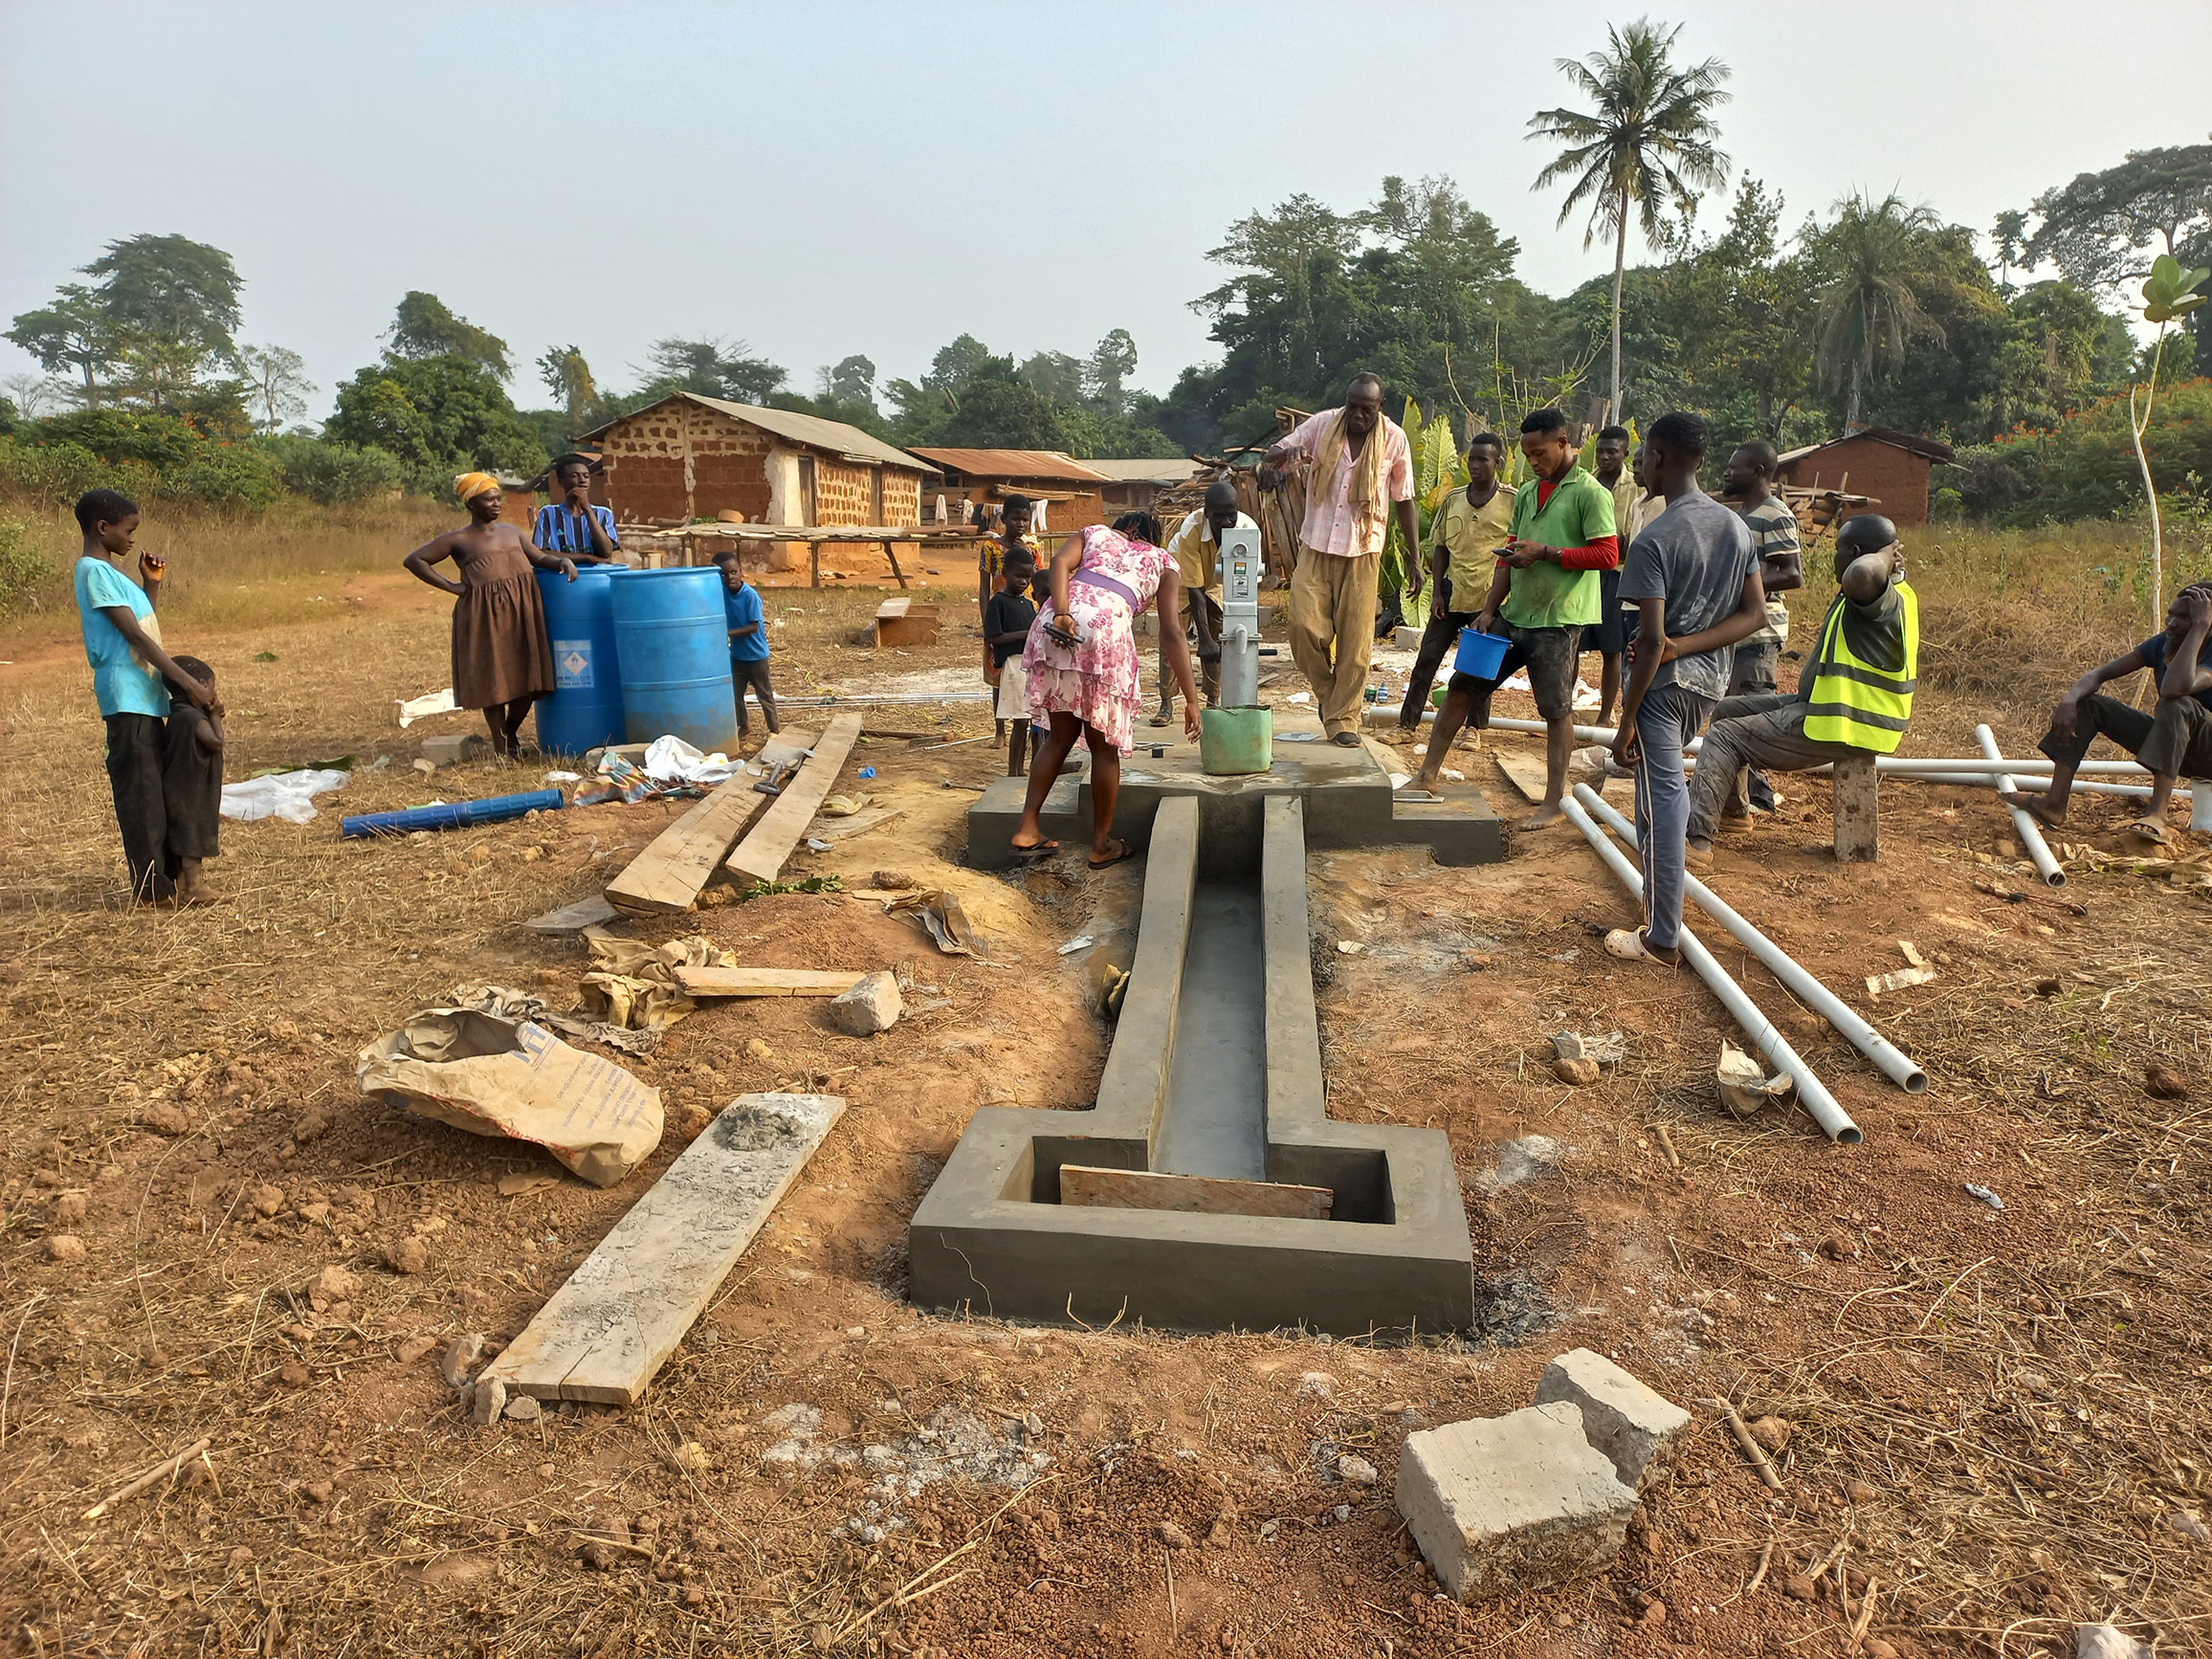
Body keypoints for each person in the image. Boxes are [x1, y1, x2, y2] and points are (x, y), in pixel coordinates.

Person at [1606, 410, 1765, 964]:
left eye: (1644, 457)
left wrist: (1626, 719)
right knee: (1660, 796)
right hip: (1708, 685)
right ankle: (1660, 916)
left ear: (1660, 457)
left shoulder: (1655, 539)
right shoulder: (1735, 528)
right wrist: (1689, 646)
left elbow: (1651, 641)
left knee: (1664, 803)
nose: (1641, 467)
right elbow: (1754, 615)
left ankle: (1661, 938)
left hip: (1660, 689)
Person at [1409, 409, 1619, 827]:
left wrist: (1545, 553)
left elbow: (1608, 554)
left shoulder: (1591, 493)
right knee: (1463, 685)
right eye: (1527, 455)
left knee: (1556, 710)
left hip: (1558, 619)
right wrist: (1489, 610)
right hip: (1513, 613)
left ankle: (1553, 802)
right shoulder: (1527, 492)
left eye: (1540, 453)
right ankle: (1426, 775)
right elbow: (1508, 555)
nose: (1534, 461)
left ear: (1563, 443)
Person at [1684, 514, 1916, 869]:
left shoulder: (1879, 596)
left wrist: (1885, 554)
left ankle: (1697, 841)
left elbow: (1861, 573)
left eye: (1839, 551)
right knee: (1728, 710)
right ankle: (1734, 812)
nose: (1834, 560)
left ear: (1857, 552)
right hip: (1831, 710)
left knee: (1725, 736)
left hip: (1845, 724)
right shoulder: (1882, 595)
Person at [1009, 514, 1202, 868]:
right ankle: (1101, 845)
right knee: (1103, 749)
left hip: (1055, 623)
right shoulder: (1163, 562)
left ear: (1125, 528)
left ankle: (1026, 828)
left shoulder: (1095, 533)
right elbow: (1172, 632)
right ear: (1150, 536)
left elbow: (1058, 563)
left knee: (1059, 737)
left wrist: (1063, 613)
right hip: (1105, 631)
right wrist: (1191, 699)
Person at [72, 488, 223, 905]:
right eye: (127, 530)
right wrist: (189, 683)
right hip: (126, 697)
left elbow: (143, 622)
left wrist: (150, 586)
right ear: (102, 528)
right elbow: (135, 638)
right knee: (141, 797)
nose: (132, 538)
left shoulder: (112, 574)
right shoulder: (93, 571)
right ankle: (154, 892)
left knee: (157, 792)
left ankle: (174, 883)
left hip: (144, 696)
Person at [1262, 373, 1417, 745]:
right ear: (1346, 402)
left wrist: (1415, 558)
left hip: (1363, 551)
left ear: (1380, 407)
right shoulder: (1322, 425)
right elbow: (1272, 455)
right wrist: (1285, 455)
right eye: (1353, 406)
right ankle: (1329, 695)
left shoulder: (1394, 439)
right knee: (1301, 627)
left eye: (1367, 408)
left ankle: (1344, 720)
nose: (1358, 415)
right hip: (1315, 547)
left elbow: (1404, 498)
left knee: (1356, 645)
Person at [2001, 579, 2212, 835]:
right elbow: (2099, 674)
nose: (2172, 623)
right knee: (2091, 704)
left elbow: (2174, 688)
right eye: (2171, 614)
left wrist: (2200, 628)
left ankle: (2157, 813)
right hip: (2178, 747)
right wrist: (2070, 700)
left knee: (2176, 704)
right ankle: (2054, 804)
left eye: (2185, 617)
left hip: (2207, 752)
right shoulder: (2166, 643)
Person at [403, 473, 576, 758]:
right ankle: (500, 744)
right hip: (483, 616)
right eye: (489, 499)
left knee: (528, 676)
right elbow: (414, 560)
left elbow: (538, 558)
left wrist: (562, 561)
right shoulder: (459, 539)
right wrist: (452, 586)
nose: (497, 504)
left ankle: (510, 732)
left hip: (522, 612)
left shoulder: (511, 532)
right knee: (494, 679)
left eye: (498, 498)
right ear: (472, 503)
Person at [1385, 431, 1515, 745]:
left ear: (1497, 462)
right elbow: (1441, 546)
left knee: (1479, 668)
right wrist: (1437, 593)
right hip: (1452, 592)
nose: (1475, 465)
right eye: (1471, 459)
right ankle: (1407, 725)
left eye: (1483, 459)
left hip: (1488, 597)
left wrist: (1496, 604)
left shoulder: (1512, 500)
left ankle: (1474, 730)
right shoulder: (1454, 499)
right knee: (1427, 659)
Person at [1715, 440, 1804, 815]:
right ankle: (1737, 798)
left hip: (1759, 635)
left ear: (1757, 472)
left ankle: (1760, 799)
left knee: (1749, 718)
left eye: (1734, 467)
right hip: (1737, 632)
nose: (1726, 472)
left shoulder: (1775, 514)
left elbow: (1792, 573)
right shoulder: (1741, 514)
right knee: (1731, 713)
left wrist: (1738, 585)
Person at [1157, 476, 1256, 719]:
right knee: (1172, 634)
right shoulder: (1192, 528)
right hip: (1181, 573)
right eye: (1218, 517)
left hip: (1219, 578)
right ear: (1206, 512)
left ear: (1237, 509)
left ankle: (1213, 701)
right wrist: (1203, 640)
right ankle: (1166, 704)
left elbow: (1248, 581)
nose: (1226, 522)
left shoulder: (1248, 530)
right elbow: (1194, 589)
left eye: (1230, 515)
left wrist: (1212, 639)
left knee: (1218, 634)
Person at [163, 654, 226, 903]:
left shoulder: (178, 714)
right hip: (191, 791)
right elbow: (216, 742)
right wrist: (215, 715)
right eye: (212, 686)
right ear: (200, 685)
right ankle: (194, 887)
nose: (214, 692)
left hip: (181, 787)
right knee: (191, 837)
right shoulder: (191, 717)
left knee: (184, 835)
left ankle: (183, 882)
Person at [1585, 424, 1637, 725]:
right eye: (1600, 452)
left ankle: (1605, 715)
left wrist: (1612, 544)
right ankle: (1565, 711)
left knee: (1612, 648)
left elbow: (1632, 538)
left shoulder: (1637, 487)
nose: (1604, 457)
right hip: (1585, 571)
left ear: (1624, 453)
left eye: (1612, 452)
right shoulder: (1586, 483)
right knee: (1574, 644)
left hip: (1618, 574)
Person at [712, 545, 780, 747]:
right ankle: (744, 725)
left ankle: (774, 730)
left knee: (764, 695)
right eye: (723, 574)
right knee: (734, 694)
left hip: (756, 656)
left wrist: (727, 633)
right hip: (738, 656)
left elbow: (753, 626)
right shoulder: (723, 593)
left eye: (733, 572)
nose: (730, 577)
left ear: (741, 572)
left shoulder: (750, 596)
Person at [986, 546, 1040, 776]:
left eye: (1027, 577)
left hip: (1030, 666)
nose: (1023, 582)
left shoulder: (1027, 604)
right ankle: (1013, 771)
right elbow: (993, 637)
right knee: (1020, 721)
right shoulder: (998, 602)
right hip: (1014, 666)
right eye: (1018, 576)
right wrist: (1024, 634)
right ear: (1005, 573)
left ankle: (1022, 769)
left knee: (1030, 721)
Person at [532, 453, 620, 564]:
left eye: (586, 476)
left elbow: (606, 551)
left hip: (596, 575)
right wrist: (587, 558)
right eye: (574, 476)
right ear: (560, 482)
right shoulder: (548, 514)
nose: (582, 480)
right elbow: (540, 553)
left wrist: (587, 509)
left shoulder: (604, 514)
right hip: (560, 575)